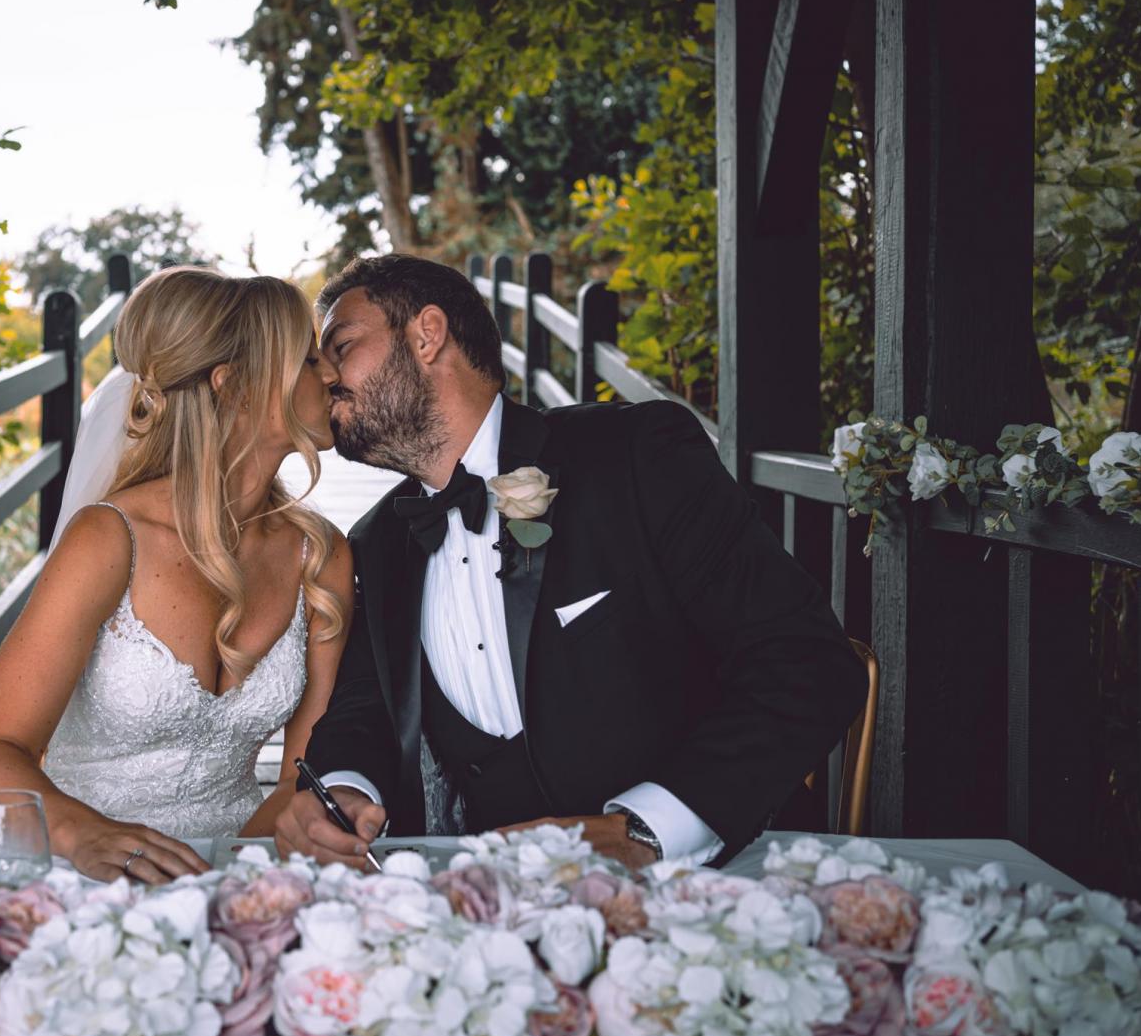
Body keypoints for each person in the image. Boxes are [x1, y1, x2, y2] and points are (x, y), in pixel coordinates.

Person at [275, 254, 866, 870]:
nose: (324, 375)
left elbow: (806, 660)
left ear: (427, 335)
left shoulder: (636, 456)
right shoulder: (377, 541)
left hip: (716, 877)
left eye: (341, 346)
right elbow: (364, 706)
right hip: (501, 895)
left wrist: (646, 830)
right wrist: (343, 789)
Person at [0, 267, 354, 883]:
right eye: (307, 359)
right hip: (83, 869)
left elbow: (301, 778)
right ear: (234, 386)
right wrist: (83, 834)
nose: (330, 374)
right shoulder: (109, 539)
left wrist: (224, 882)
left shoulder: (321, 556)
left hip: (241, 867)